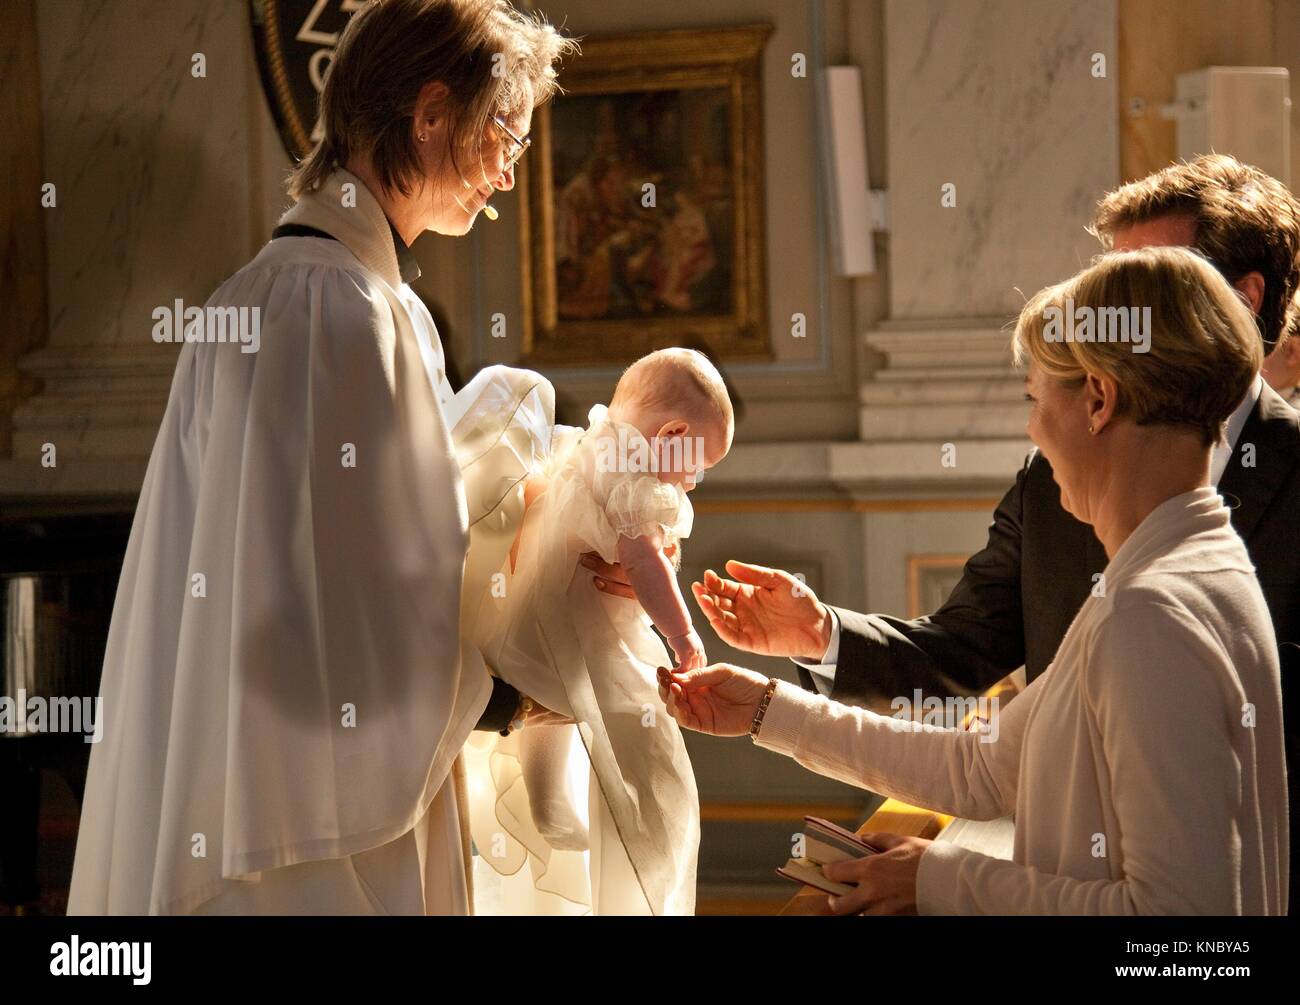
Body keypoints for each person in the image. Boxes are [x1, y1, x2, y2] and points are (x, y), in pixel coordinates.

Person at [679, 154, 1300, 907]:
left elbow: (1177, 936)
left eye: (1036, 396)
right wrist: (764, 709)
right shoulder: (1183, 560)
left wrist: (940, 875)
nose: (1032, 427)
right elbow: (984, 767)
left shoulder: (1150, 610)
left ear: (1098, 399)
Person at [68, 0, 576, 915]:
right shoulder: (336, 308)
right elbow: (364, 597)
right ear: (429, 115)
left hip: (252, 771)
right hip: (305, 820)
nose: (509, 173)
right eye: (504, 135)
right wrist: (519, 683)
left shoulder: (286, 293)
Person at [453, 350, 733, 915]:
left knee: (555, 719)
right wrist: (682, 636)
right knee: (635, 742)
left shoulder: (590, 444)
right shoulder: (639, 485)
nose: (694, 481)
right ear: (674, 432)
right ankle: (617, 854)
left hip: (527, 630)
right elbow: (643, 565)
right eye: (698, 464)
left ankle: (550, 801)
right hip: (578, 637)